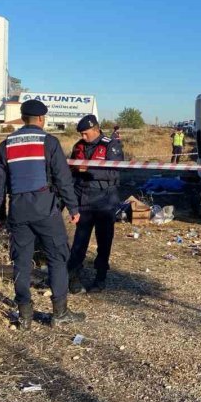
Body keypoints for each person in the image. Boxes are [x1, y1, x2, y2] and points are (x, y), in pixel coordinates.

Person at [0, 99, 84, 330]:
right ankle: (59, 313)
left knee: (21, 261)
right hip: (45, 208)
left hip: (18, 210)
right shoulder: (48, 142)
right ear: (41, 119)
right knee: (57, 257)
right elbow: (63, 178)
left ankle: (24, 316)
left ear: (23, 118)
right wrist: (73, 208)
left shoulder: (6, 144)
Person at [67, 114, 125, 294]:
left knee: (104, 240)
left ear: (96, 129)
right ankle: (73, 275)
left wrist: (89, 169)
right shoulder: (78, 147)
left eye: (86, 133)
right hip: (83, 199)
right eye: (81, 134)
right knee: (80, 241)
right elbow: (71, 173)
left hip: (105, 200)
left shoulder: (110, 145)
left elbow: (115, 171)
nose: (83, 137)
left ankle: (100, 277)